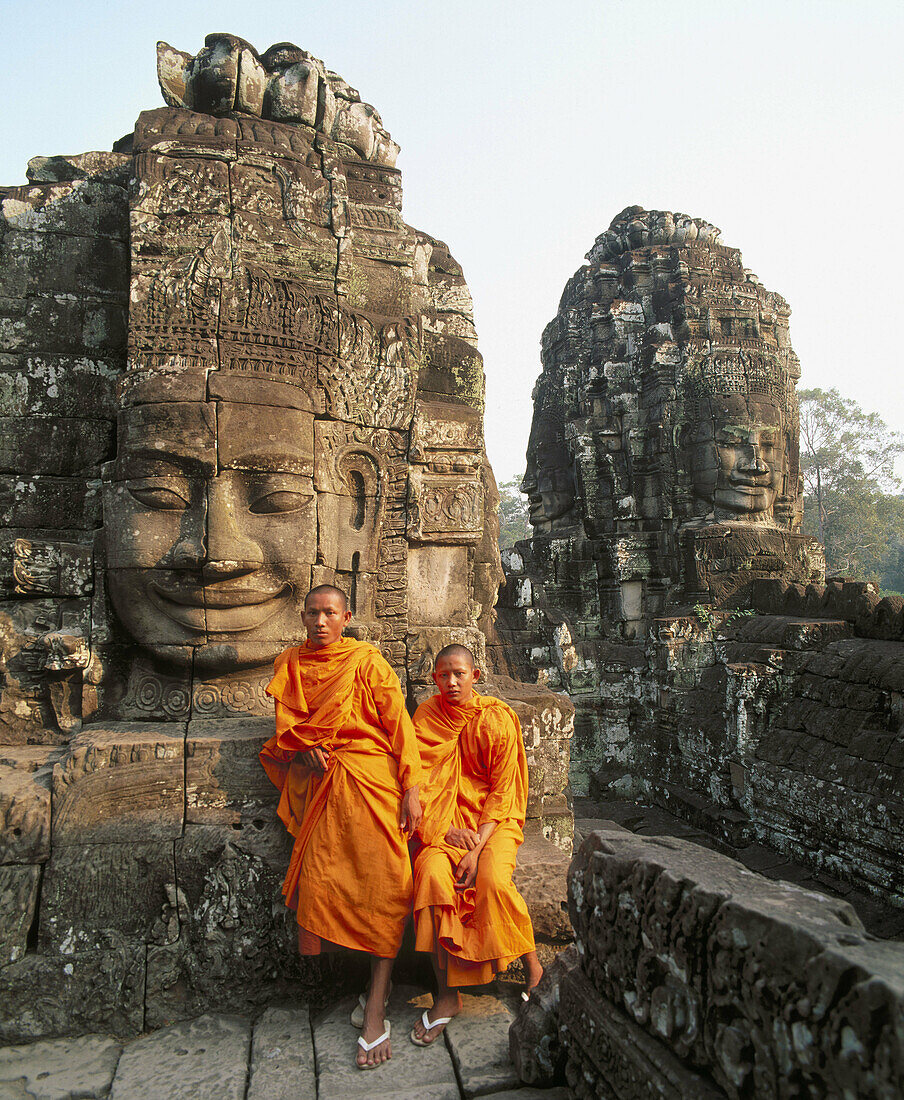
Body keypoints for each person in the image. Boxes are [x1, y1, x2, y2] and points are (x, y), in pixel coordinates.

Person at [259, 584, 422, 1069]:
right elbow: (286, 724)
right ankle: (371, 990)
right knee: (325, 882)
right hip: (324, 781)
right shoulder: (290, 662)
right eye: (313, 613)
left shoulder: (367, 660)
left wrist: (412, 787)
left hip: (372, 775)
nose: (321, 622)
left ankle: (376, 1002)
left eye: (330, 613)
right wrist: (300, 743)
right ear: (303, 617)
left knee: (390, 884)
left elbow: (399, 725)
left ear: (346, 616)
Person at [409, 644, 542, 1045]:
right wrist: (447, 831)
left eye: (459, 674)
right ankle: (447, 996)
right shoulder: (426, 717)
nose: (451, 682)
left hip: (493, 824)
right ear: (434, 679)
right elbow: (419, 784)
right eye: (443, 675)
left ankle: (534, 969)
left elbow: (504, 791)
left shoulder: (496, 719)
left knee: (493, 883)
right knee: (430, 876)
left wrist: (476, 847)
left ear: (476, 675)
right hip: (443, 826)